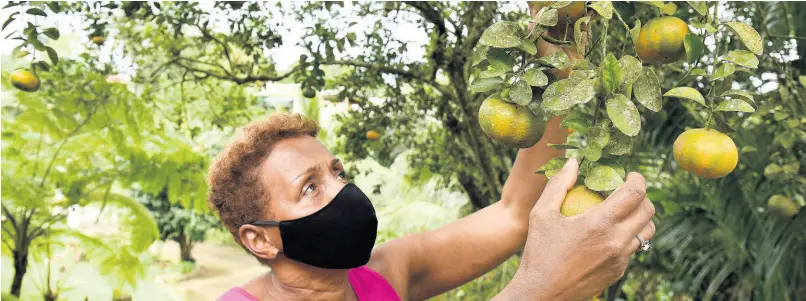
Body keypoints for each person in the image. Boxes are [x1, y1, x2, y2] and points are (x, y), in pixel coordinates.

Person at [207, 113, 656, 301]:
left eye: (338, 173)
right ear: (259, 238)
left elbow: (513, 213)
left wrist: (563, 69)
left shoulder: (384, 275)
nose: (343, 192)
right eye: (309, 188)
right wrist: (539, 289)